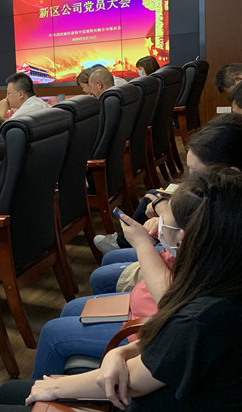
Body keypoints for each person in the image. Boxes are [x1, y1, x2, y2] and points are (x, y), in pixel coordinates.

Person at [0, 167, 242, 412]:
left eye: (166, 225)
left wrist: (58, 388)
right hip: (154, 409)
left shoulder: (203, 317)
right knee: (8, 393)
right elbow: (170, 350)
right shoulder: (221, 285)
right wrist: (119, 353)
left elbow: (136, 380)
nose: (159, 229)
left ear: (185, 239)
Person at [90, 113, 242, 291]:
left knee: (98, 279)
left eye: (196, 173)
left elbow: (179, 287)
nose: (189, 181)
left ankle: (124, 243)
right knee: (111, 258)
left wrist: (163, 219)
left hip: (175, 282)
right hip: (177, 271)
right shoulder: (226, 203)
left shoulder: (227, 226)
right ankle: (123, 242)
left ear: (231, 173)